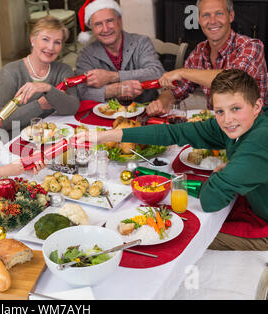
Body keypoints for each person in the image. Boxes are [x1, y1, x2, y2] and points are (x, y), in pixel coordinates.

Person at [75, 69, 268, 250]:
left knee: (175, 237)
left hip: (263, 223)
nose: (227, 120)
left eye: (236, 108)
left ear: (257, 106)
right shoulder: (241, 125)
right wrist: (103, 137)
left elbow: (210, 201)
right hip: (253, 202)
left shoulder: (259, 141)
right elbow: (172, 132)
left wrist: (225, 171)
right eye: (219, 111)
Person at [146, 0, 267, 116]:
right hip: (218, 124)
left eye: (219, 13)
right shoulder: (200, 51)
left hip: (254, 125)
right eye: (206, 15)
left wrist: (182, 72)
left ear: (231, 16)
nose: (212, 21)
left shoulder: (251, 46)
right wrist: (161, 103)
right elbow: (176, 90)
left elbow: (233, 81)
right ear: (199, 20)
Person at [0, 15, 80, 133]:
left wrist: (47, 89)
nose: (50, 47)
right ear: (33, 40)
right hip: (17, 141)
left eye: (57, 42)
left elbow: (72, 107)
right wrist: (39, 105)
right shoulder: (10, 72)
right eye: (45, 39)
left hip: (55, 136)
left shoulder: (63, 70)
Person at [75, 0, 165, 103]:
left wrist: (112, 77)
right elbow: (81, 93)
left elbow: (157, 73)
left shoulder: (141, 42)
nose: (105, 29)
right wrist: (117, 89)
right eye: (98, 24)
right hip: (106, 114)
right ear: (92, 29)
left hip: (147, 110)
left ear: (120, 21)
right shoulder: (85, 55)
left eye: (109, 21)